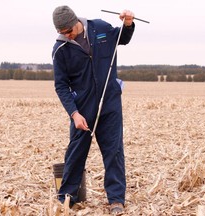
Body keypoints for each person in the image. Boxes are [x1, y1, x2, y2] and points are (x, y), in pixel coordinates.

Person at [52, 5, 135, 214]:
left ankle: (116, 199)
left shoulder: (101, 28)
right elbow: (61, 85)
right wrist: (74, 113)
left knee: (113, 151)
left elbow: (122, 38)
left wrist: (128, 24)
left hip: (110, 103)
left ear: (76, 22)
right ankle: (67, 198)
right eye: (62, 34)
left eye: (69, 31)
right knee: (76, 153)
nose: (67, 36)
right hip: (82, 109)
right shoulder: (60, 49)